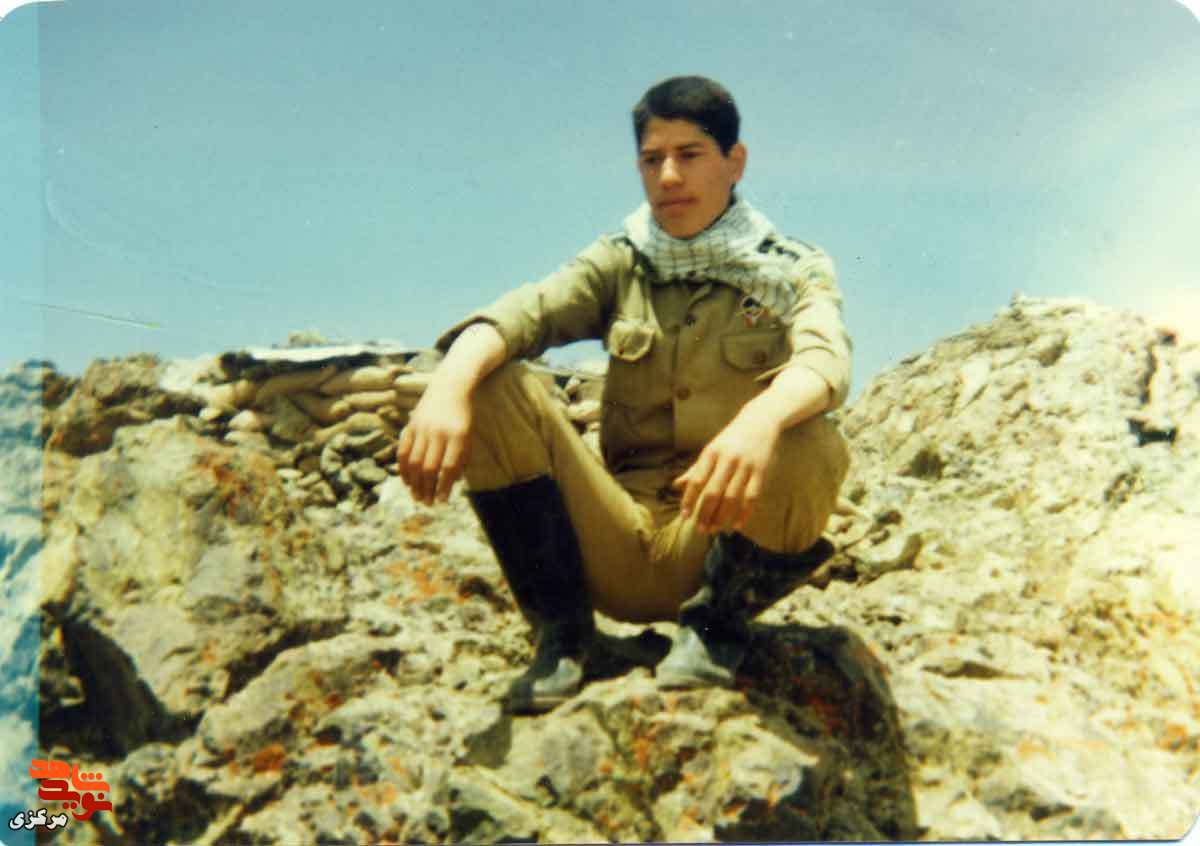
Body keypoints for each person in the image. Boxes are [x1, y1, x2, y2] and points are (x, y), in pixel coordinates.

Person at [397, 75, 851, 714]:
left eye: (689, 154)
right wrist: (449, 384)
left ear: (735, 162)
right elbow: (527, 312)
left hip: (721, 534)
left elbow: (826, 361)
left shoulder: (793, 265)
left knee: (810, 437)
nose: (669, 176)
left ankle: (714, 629)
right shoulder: (622, 260)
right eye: (651, 159)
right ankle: (564, 639)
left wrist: (759, 421)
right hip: (616, 541)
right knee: (491, 381)